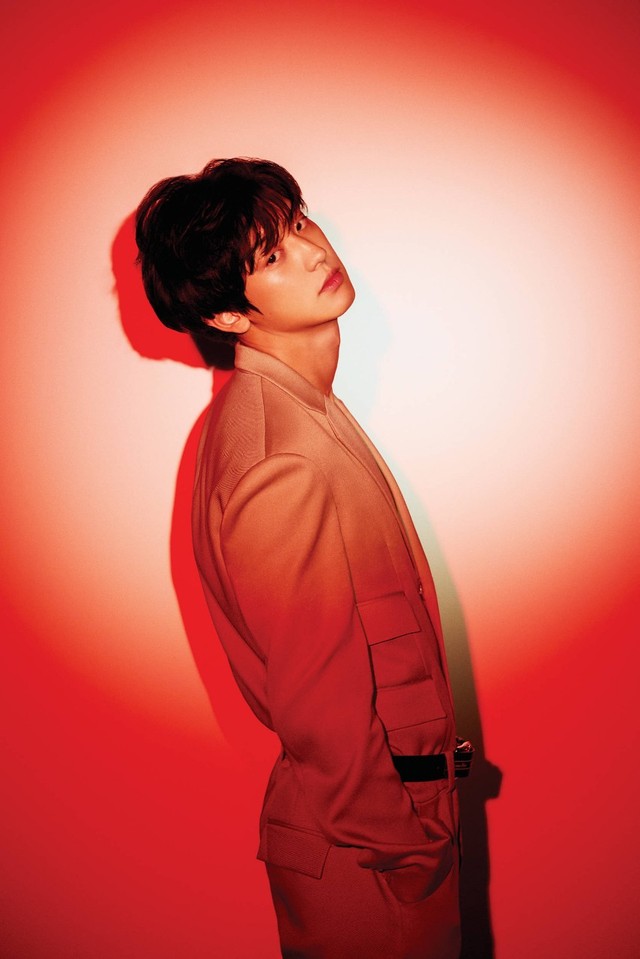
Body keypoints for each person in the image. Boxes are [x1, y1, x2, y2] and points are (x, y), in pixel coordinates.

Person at [135, 157, 467, 959]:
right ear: (226, 313)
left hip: (382, 837)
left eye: (299, 222)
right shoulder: (280, 458)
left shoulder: (299, 412)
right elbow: (324, 712)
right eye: (273, 254)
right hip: (371, 862)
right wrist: (409, 853)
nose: (315, 251)